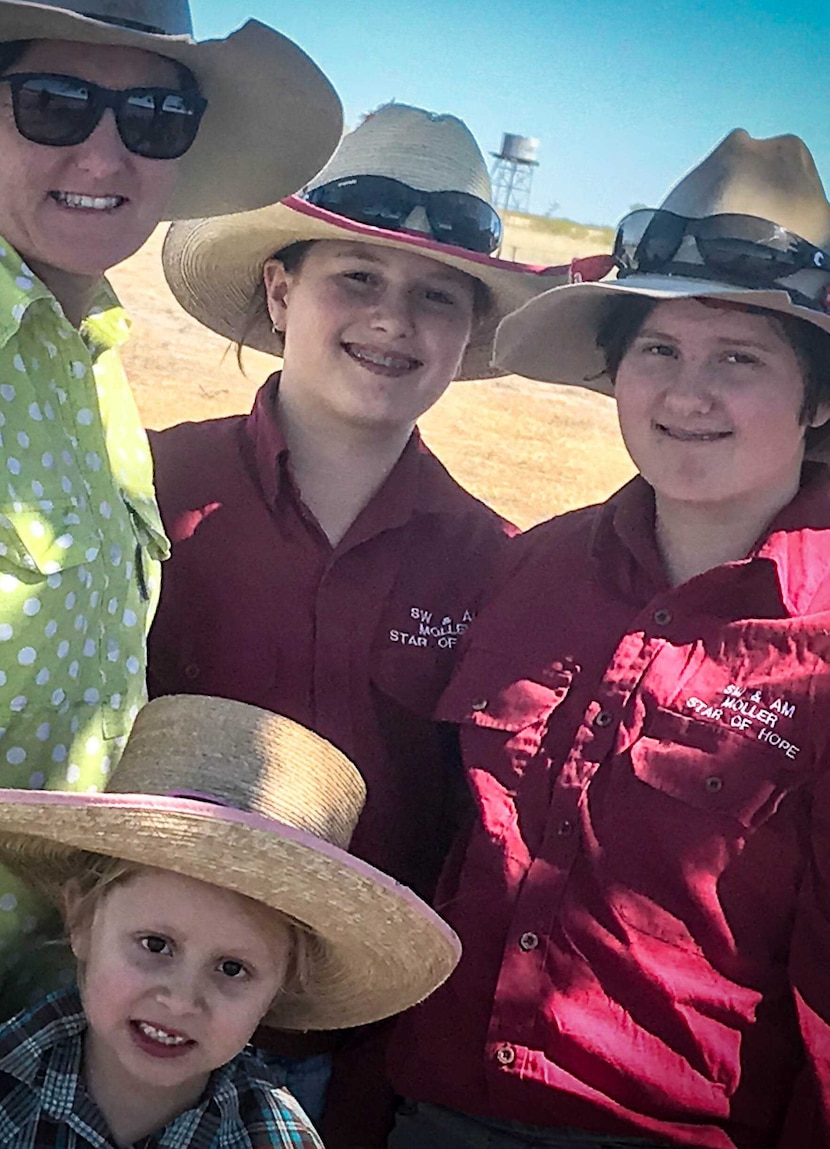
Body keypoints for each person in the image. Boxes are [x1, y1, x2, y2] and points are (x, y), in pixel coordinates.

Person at [387, 129, 830, 1149]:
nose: (687, 393)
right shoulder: (528, 568)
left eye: (739, 358)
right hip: (429, 1103)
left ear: (818, 402)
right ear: (615, 375)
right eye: (659, 351)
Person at [151, 103, 568, 1138]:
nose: (395, 320)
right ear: (280, 287)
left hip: (337, 1068)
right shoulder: (148, 480)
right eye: (357, 278)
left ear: (469, 334)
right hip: (118, 1007)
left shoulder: (497, 563)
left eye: (437, 294)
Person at [0, 0, 341, 1033]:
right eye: (53, 104)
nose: (106, 150)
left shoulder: (89, 360)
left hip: (20, 1012)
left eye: (153, 119)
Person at [0, 693, 459, 1149]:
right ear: (81, 920)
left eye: (231, 969)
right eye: (156, 945)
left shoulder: (273, 1137)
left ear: (280, 983)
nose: (180, 1001)